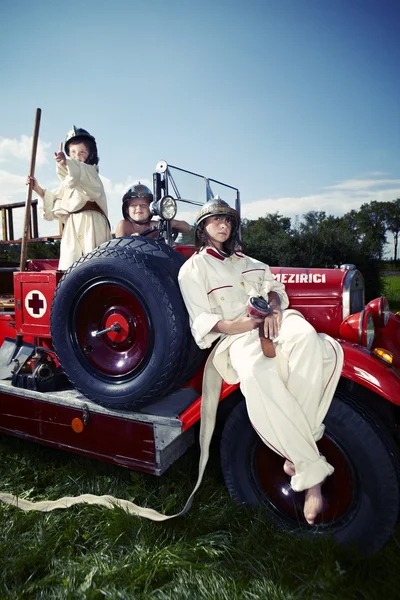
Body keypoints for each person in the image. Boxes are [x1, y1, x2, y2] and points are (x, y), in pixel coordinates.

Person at [178, 197, 344, 525]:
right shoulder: (192, 269)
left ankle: (298, 449)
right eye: (215, 220)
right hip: (236, 337)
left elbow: (273, 289)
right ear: (202, 229)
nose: (222, 225)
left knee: (311, 342)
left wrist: (274, 309)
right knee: (258, 373)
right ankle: (310, 473)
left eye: (227, 220)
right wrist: (247, 325)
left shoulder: (248, 261)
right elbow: (204, 322)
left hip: (275, 321)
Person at [26, 126, 112, 270]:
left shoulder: (91, 173)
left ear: (90, 154)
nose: (77, 156)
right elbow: (53, 201)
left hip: (92, 224)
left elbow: (79, 173)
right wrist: (37, 188)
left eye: (82, 152)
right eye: (72, 153)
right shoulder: (67, 184)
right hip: (72, 226)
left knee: (94, 265)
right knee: (70, 267)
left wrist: (66, 162)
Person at [115, 183, 191, 238]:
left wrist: (170, 222)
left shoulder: (156, 226)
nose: (138, 208)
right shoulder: (124, 225)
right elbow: (118, 250)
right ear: (127, 210)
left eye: (143, 205)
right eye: (133, 205)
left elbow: (187, 228)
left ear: (151, 208)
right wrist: (130, 241)